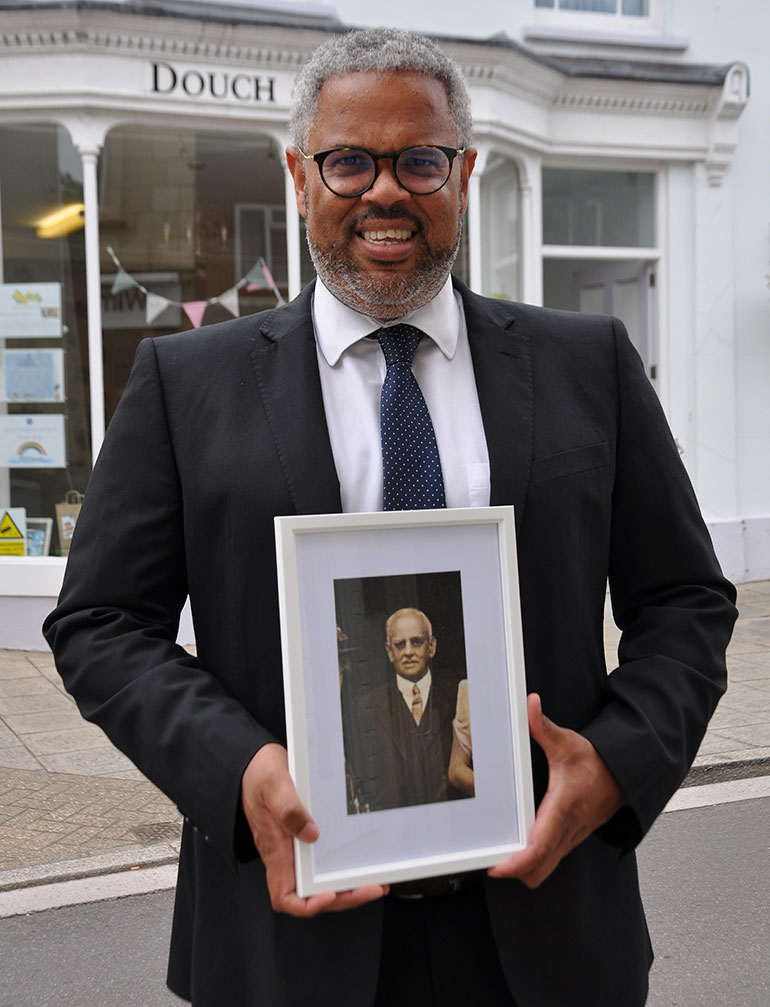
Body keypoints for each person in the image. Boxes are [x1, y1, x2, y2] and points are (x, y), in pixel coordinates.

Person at [43, 26, 736, 1007]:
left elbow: (684, 602)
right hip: (289, 933)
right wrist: (238, 769)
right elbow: (100, 624)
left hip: (546, 924)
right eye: (348, 162)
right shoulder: (183, 380)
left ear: (463, 171)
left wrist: (618, 765)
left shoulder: (587, 363)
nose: (384, 191)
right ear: (298, 174)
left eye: (418, 160)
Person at [343, 607, 462, 812]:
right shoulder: (364, 709)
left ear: (431, 646)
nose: (408, 652)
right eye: (400, 645)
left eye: (416, 642)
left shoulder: (459, 696)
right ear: (390, 652)